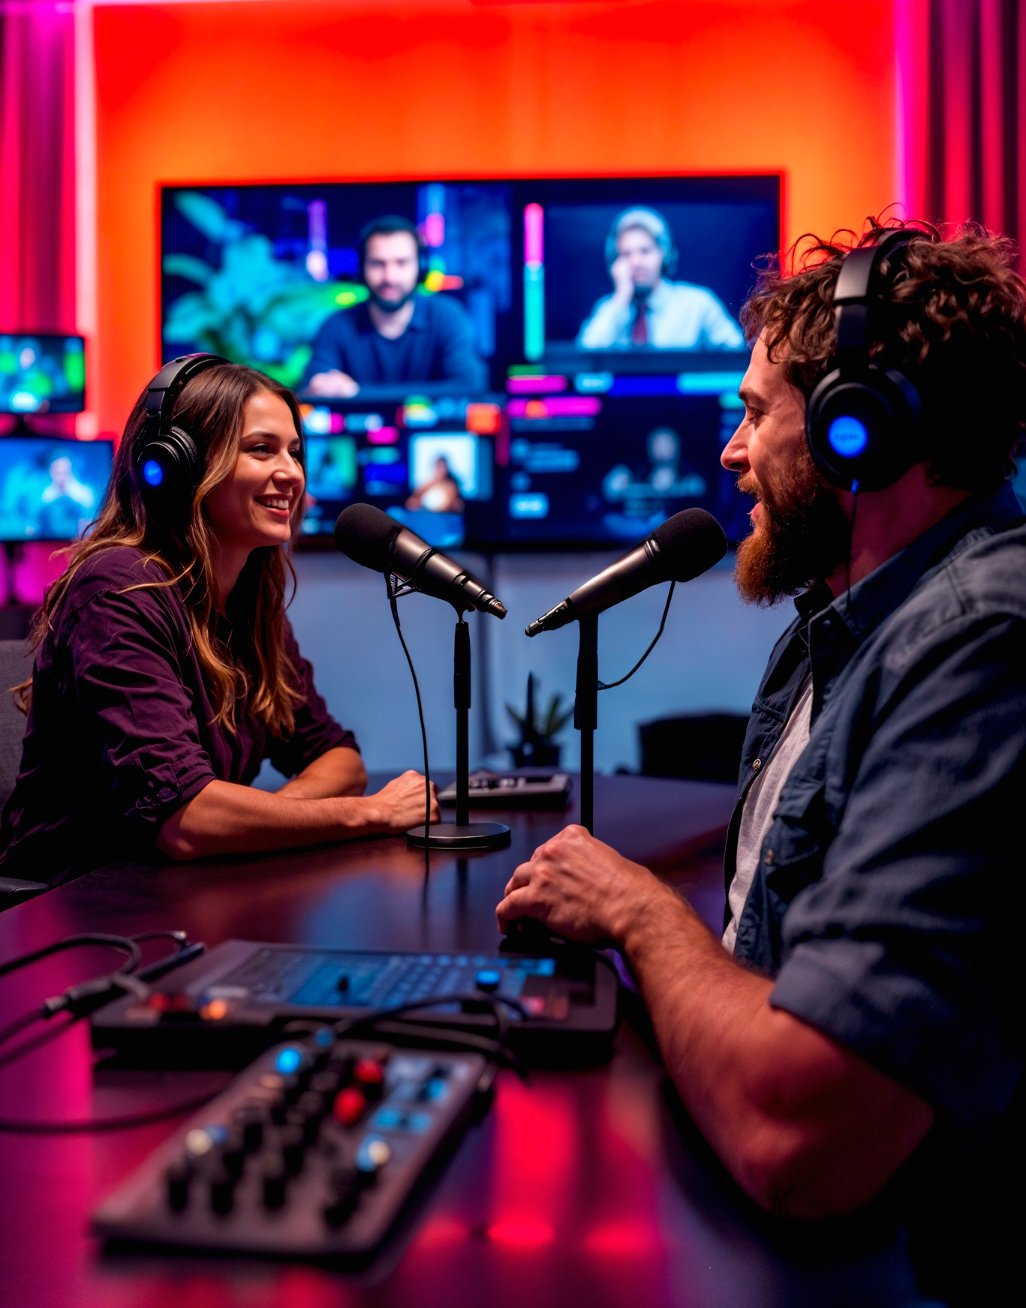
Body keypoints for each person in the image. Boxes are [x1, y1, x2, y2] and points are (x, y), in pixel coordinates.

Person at [498, 221, 1026, 1303]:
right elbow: (767, 933)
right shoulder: (831, 632)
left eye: (753, 414)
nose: (731, 453)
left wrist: (641, 917)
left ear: (856, 433)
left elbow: (806, 1134)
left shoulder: (983, 642)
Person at [0, 355, 438, 886]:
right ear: (180, 465)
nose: (291, 473)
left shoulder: (250, 604)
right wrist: (373, 813)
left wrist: (246, 818)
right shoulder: (117, 589)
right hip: (75, 906)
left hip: (181, 891)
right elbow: (184, 821)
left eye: (295, 453)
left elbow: (339, 758)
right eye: (261, 449)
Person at [303, 216, 486, 397]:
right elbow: (312, 392)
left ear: (421, 267)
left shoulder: (447, 316)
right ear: (361, 268)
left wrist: (357, 393)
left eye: (401, 263)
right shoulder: (336, 325)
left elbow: (470, 385)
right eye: (377, 263)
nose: (389, 277)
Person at [576, 206, 745, 351]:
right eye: (626, 254)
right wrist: (620, 299)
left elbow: (737, 356)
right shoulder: (609, 308)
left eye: (645, 251)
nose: (635, 262)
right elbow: (583, 362)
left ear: (664, 255)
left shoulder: (699, 304)